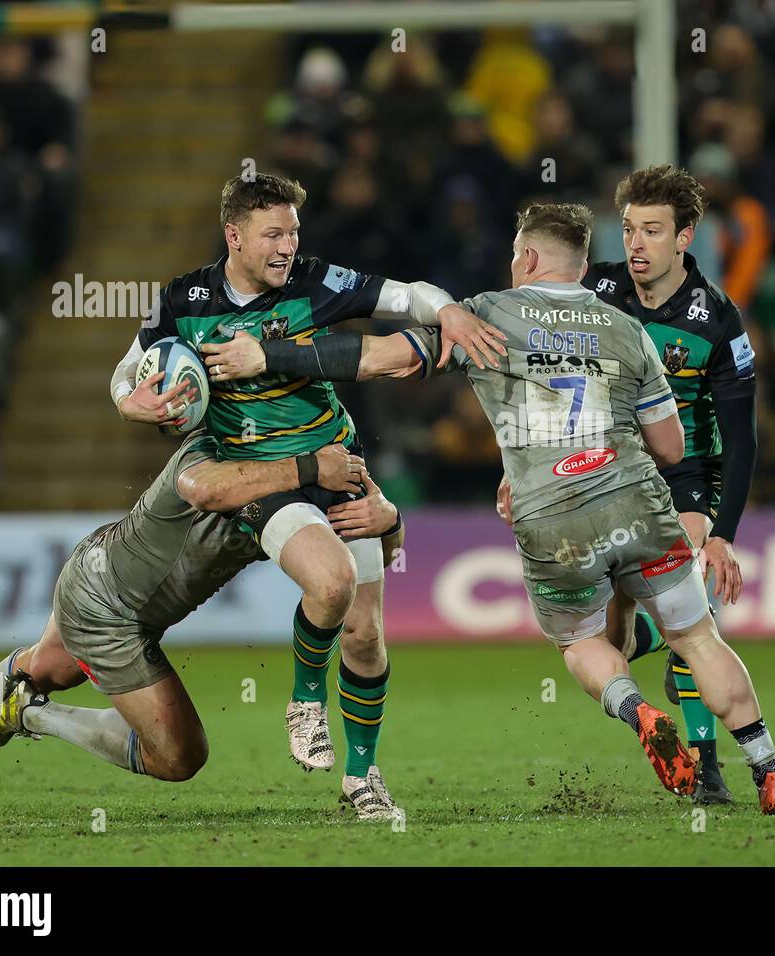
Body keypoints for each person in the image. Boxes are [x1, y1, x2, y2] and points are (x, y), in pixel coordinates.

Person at [206, 202, 775, 813]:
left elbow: (382, 358)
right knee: (699, 638)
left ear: (530, 258)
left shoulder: (485, 316)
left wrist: (270, 356)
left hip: (550, 518)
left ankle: (640, 712)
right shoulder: (626, 327)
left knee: (583, 644)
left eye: (516, 252)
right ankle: (770, 772)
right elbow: (672, 446)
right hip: (637, 500)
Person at [110, 172, 500, 819]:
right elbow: (129, 372)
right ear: (233, 236)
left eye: (293, 231)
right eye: (273, 233)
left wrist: (450, 310)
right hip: (265, 475)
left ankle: (362, 779)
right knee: (330, 582)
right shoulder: (185, 299)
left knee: (366, 635)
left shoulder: (316, 284)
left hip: (337, 464)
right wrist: (134, 403)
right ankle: (304, 703)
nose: (287, 245)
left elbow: (409, 297)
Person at [0, 432, 368, 815]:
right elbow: (210, 491)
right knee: (179, 756)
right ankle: (30, 715)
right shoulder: (213, 448)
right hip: (109, 612)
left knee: (46, 670)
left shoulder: (306, 460)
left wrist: (388, 516)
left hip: (103, 570)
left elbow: (371, 544)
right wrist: (309, 468)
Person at [582, 164, 760, 804]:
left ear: (686, 236)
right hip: (601, 476)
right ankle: (655, 631)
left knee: (689, 603)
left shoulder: (718, 320)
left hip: (685, 483)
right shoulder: (593, 292)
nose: (635, 244)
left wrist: (725, 533)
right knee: (613, 642)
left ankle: (708, 768)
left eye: (652, 231)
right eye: (628, 228)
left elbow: (741, 439)